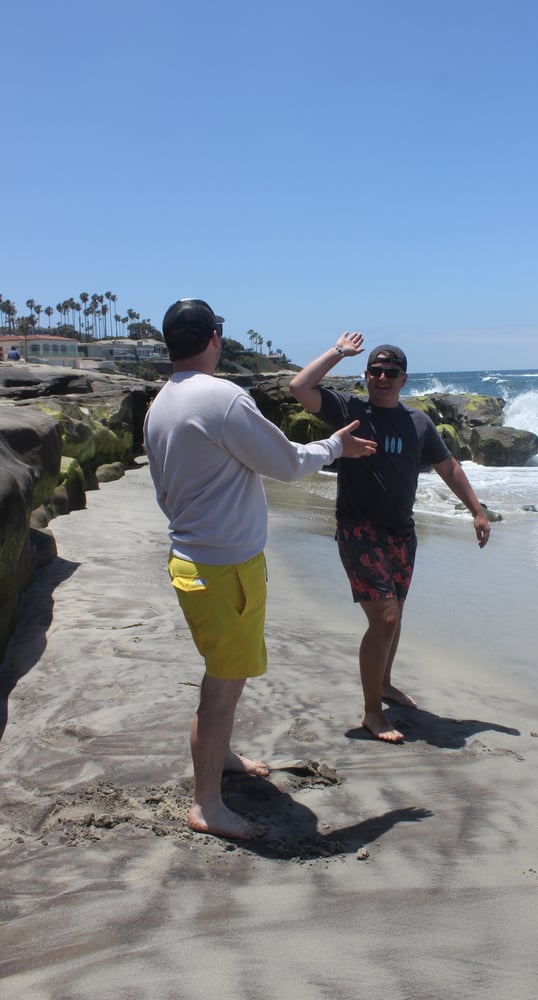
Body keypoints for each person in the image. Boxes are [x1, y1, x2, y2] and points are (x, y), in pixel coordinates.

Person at [143, 300, 376, 839]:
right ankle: (207, 806)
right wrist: (336, 446)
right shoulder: (221, 398)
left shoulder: (162, 403)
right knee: (223, 685)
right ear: (214, 338)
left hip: (194, 559)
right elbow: (287, 464)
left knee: (226, 673)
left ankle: (221, 758)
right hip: (224, 568)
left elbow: (164, 488)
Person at [289, 333, 490, 744]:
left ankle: (383, 684)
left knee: (394, 614)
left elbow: (448, 467)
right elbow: (299, 387)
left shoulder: (419, 423)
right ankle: (372, 712)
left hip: (402, 532)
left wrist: (477, 509)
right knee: (385, 618)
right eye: (376, 371)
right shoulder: (350, 409)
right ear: (366, 376)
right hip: (358, 528)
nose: (382, 377)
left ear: (403, 379)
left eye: (391, 372)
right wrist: (338, 352)